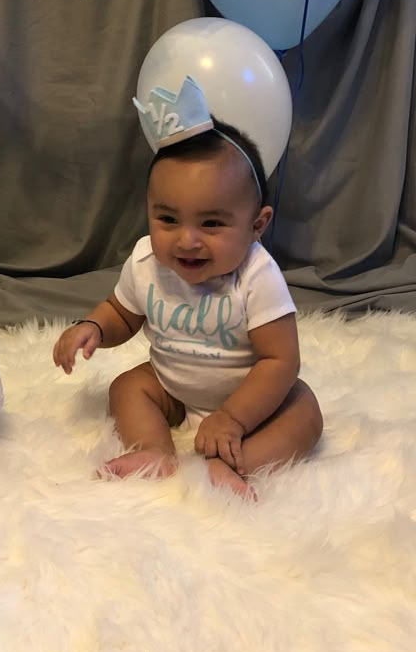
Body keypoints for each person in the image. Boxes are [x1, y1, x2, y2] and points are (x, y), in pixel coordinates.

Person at [53, 113, 323, 498]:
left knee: (304, 410)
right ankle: (154, 449)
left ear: (257, 225)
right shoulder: (147, 261)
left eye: (211, 223)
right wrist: (94, 327)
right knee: (128, 387)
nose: (187, 240)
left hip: (249, 398)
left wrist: (232, 417)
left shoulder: (256, 275)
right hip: (173, 387)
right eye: (168, 219)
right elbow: (121, 312)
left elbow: (279, 361)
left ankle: (233, 460)